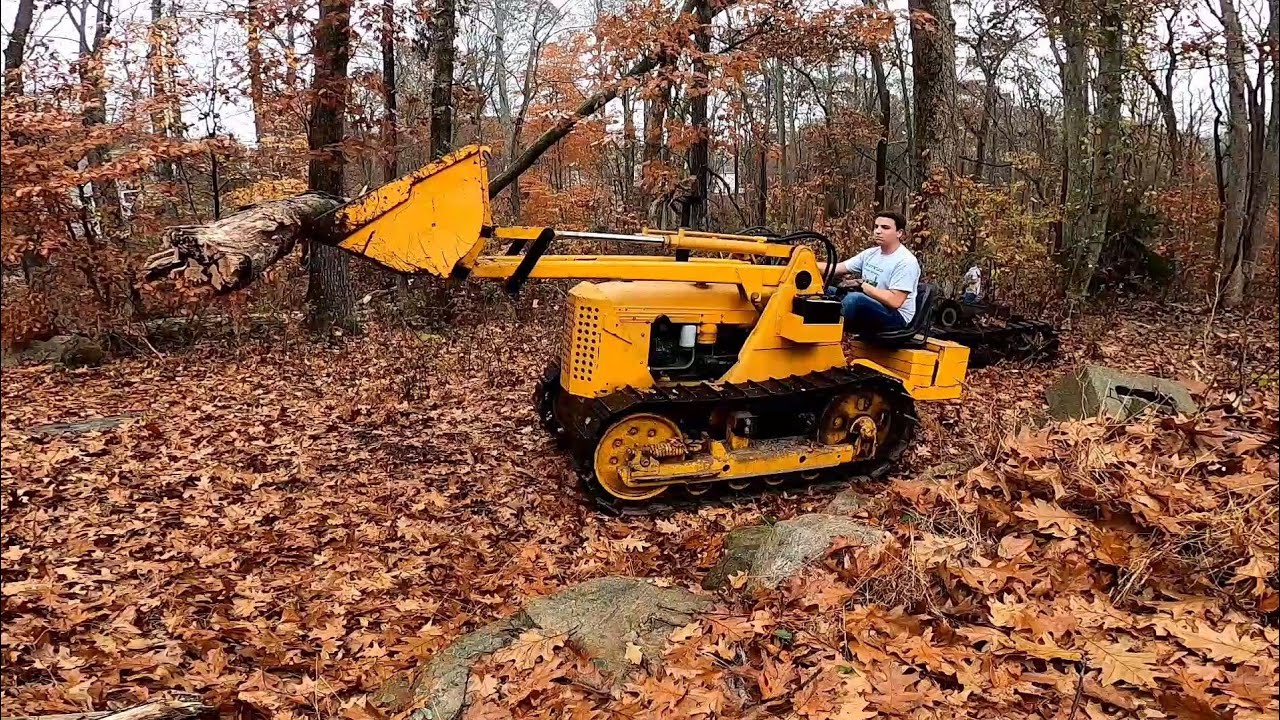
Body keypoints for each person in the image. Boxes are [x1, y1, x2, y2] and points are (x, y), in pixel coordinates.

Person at [819, 211, 920, 335]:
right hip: (872, 304)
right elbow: (836, 268)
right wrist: (802, 261)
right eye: (876, 226)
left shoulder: (906, 262)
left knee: (854, 299)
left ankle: (825, 335)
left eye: (885, 228)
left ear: (899, 233)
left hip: (896, 318)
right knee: (822, 290)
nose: (878, 231)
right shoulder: (870, 254)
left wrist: (862, 286)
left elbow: (895, 301)